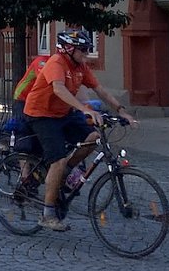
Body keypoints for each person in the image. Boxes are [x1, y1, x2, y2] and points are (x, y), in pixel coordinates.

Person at [23, 29, 135, 232]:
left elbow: (99, 89)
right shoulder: (56, 63)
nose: (86, 54)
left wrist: (121, 111)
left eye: (88, 49)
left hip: (63, 113)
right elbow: (58, 88)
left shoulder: (81, 67)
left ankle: (65, 171)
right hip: (41, 114)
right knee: (56, 160)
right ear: (68, 48)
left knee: (93, 136)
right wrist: (84, 109)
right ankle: (47, 214)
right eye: (83, 50)